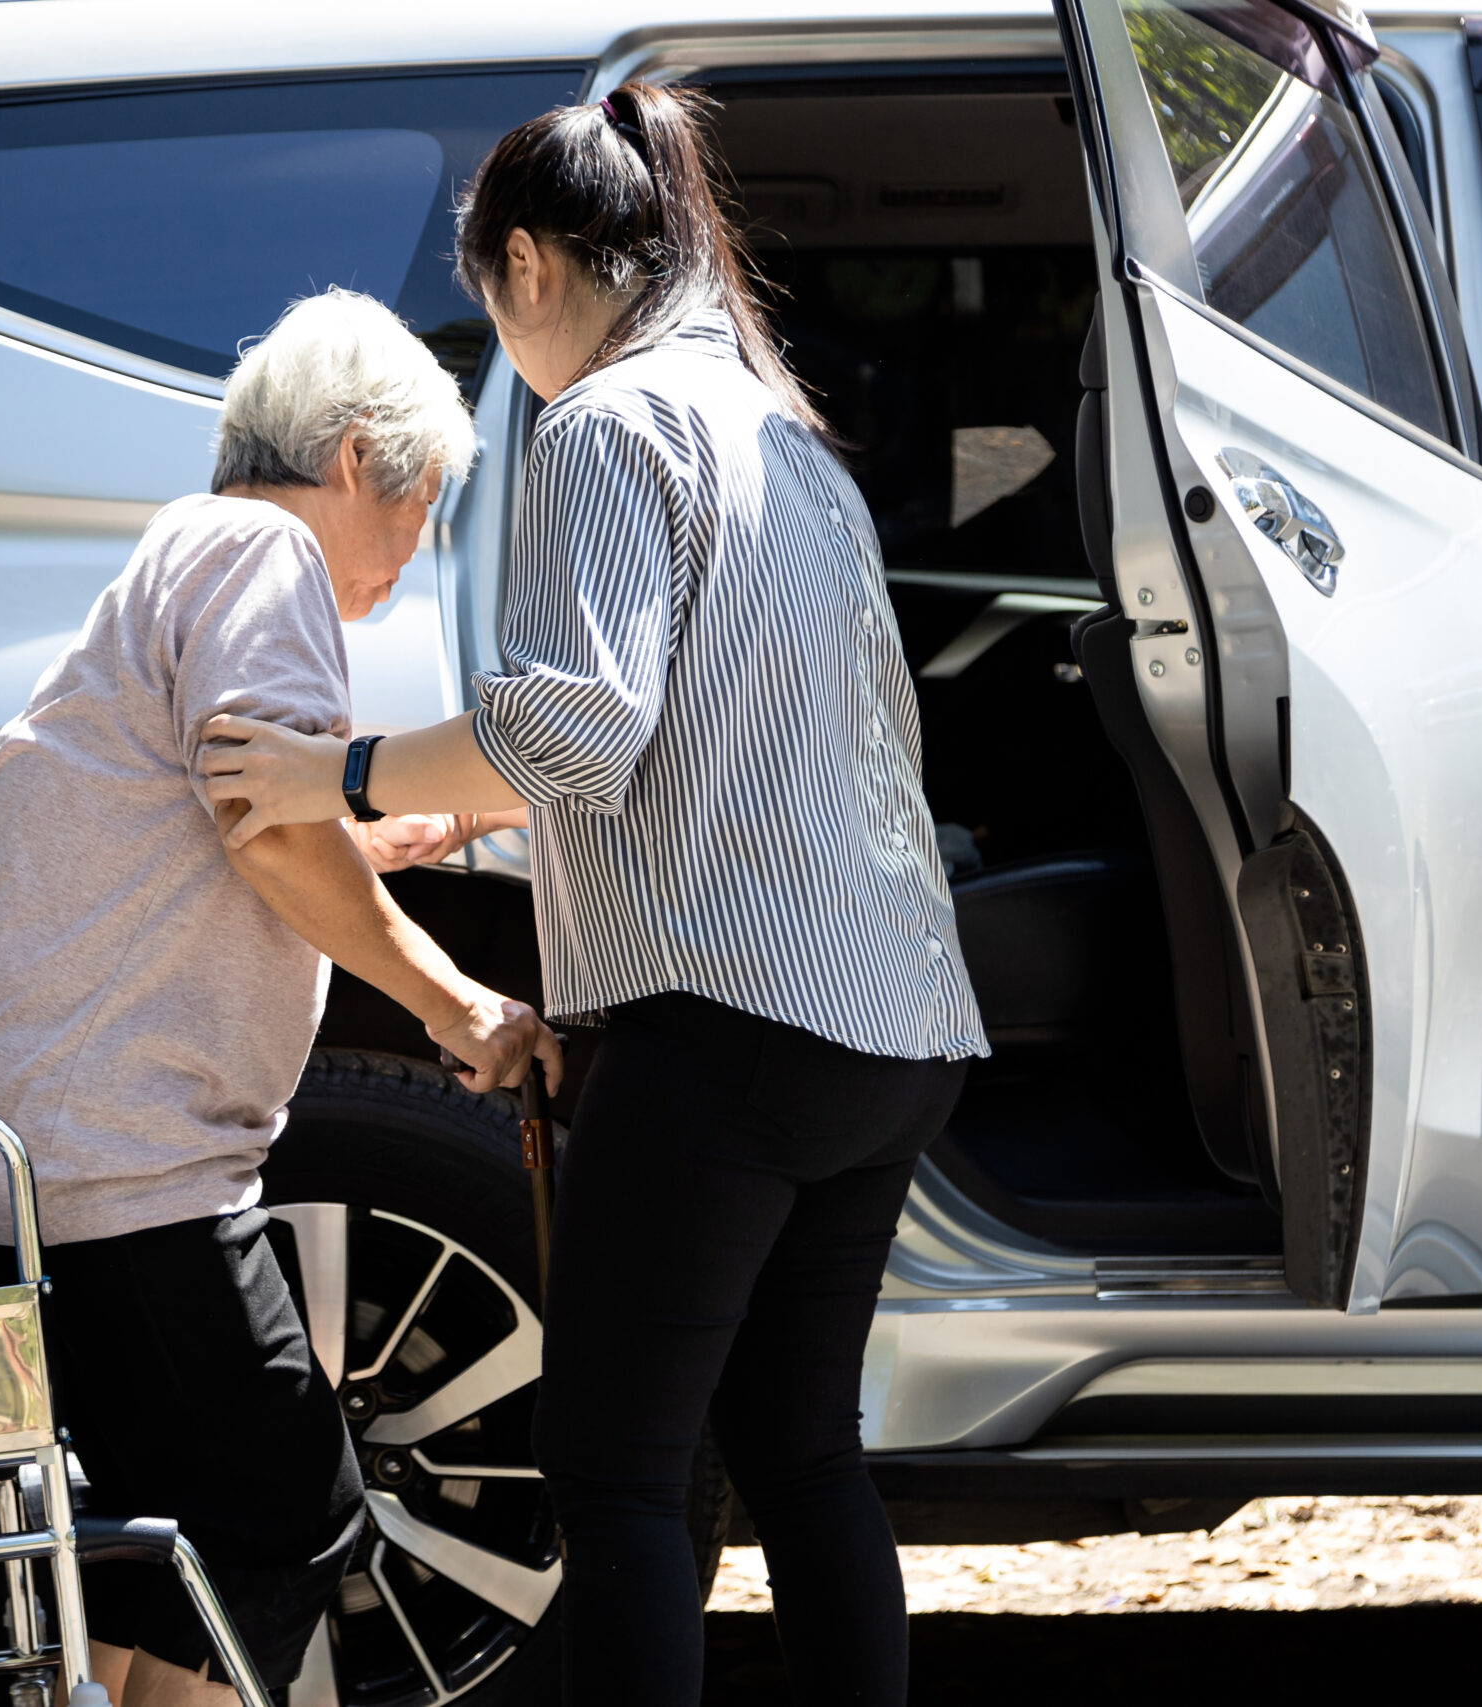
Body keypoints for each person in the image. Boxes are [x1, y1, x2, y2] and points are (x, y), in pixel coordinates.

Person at [199, 84, 988, 1707]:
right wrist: (464, 823)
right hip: (895, 1026)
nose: (501, 348)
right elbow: (725, 749)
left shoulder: (607, 426)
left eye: (487, 297)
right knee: (799, 1450)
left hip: (726, 1032)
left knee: (616, 1468)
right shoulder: (784, 432)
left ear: (534, 263)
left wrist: (331, 774)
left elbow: (578, 716)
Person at [0, 288, 562, 1707]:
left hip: (38, 1140)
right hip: (116, 1156)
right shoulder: (265, 551)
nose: (413, 553)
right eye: (424, 505)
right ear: (359, 457)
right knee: (286, 1517)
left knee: (167, 1537)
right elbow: (267, 831)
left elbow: (211, 812)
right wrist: (456, 1004)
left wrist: (384, 835)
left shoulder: (189, 549)